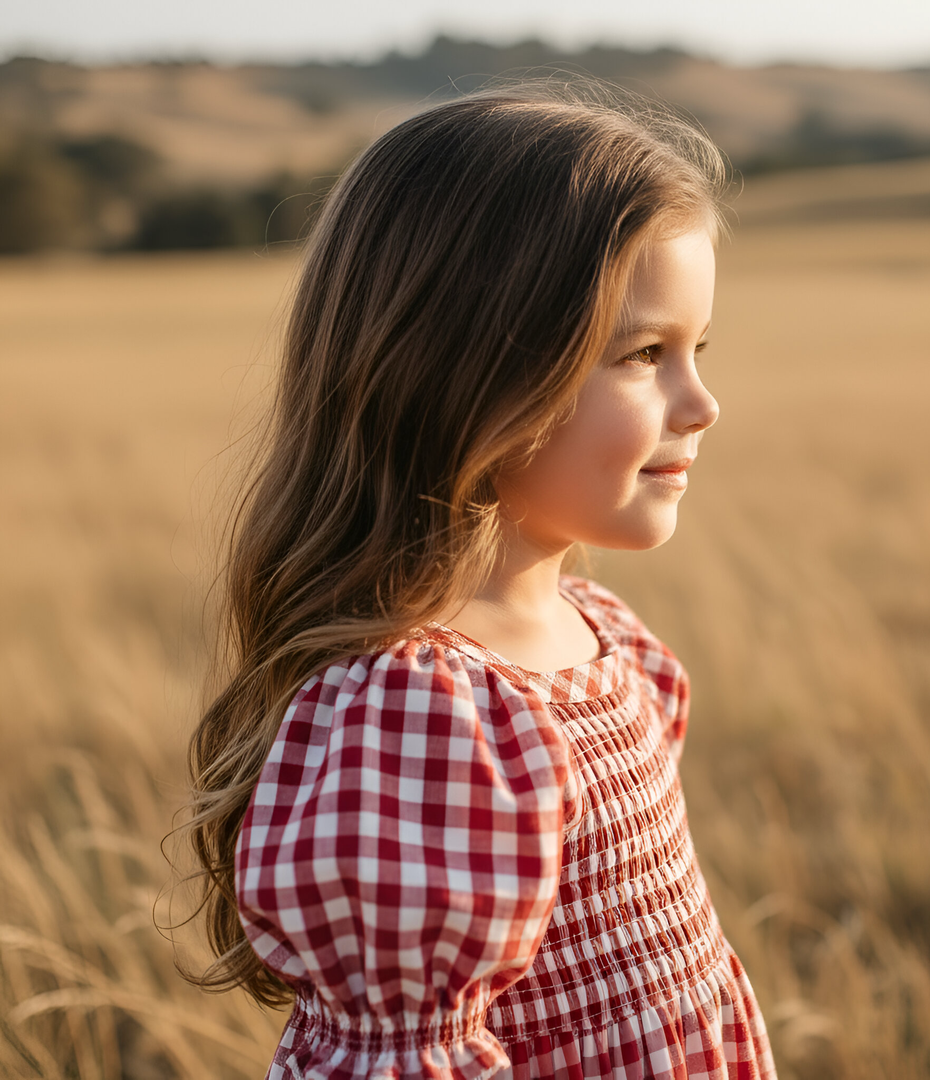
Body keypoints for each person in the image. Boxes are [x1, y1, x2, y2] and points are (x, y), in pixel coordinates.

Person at [186, 81, 777, 1080]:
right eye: (643, 354)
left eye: (697, 350)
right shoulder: (420, 714)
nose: (702, 403)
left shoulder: (601, 632)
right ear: (467, 370)